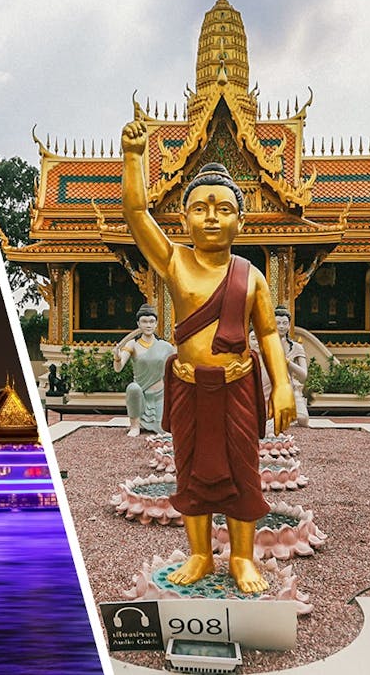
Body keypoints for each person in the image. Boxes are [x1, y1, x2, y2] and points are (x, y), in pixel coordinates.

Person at [121, 112, 295, 594]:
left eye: (223, 208)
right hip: (190, 386)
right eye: (200, 208)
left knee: (244, 470)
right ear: (183, 218)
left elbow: (269, 337)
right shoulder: (175, 262)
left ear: (241, 219)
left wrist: (281, 385)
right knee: (191, 468)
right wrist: (134, 159)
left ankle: (241, 558)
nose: (212, 217)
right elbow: (136, 216)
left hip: (238, 385)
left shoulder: (252, 276)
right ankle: (200, 555)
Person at [113, 303, 176, 437]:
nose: (148, 325)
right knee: (132, 388)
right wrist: (117, 357)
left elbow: (174, 371)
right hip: (140, 393)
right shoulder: (133, 344)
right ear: (138, 324)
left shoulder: (166, 347)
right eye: (144, 321)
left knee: (163, 430)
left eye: (151, 321)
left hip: (160, 394)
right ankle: (135, 425)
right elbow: (118, 368)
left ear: (156, 324)